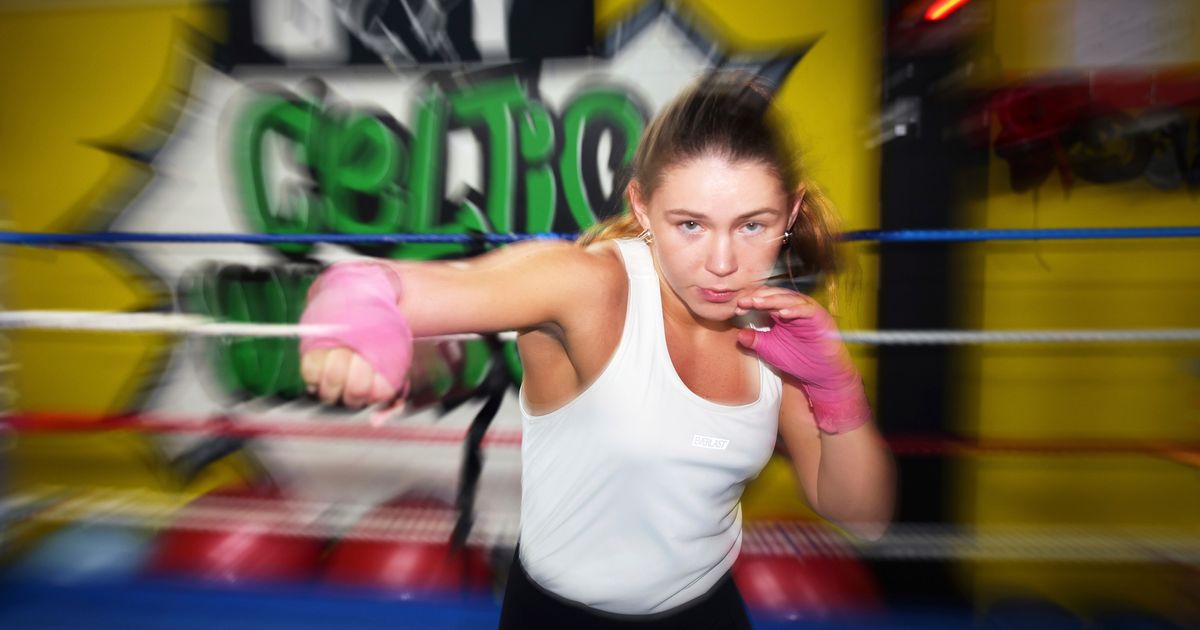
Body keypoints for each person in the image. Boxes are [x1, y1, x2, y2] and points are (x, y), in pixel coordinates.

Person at [298, 72, 896, 629]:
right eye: (689, 224)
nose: (721, 263)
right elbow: (381, 285)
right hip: (560, 616)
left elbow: (863, 516)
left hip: (708, 609)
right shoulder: (590, 287)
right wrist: (353, 318)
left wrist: (836, 389)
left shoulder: (777, 329)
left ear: (789, 214)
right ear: (642, 208)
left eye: (752, 226)